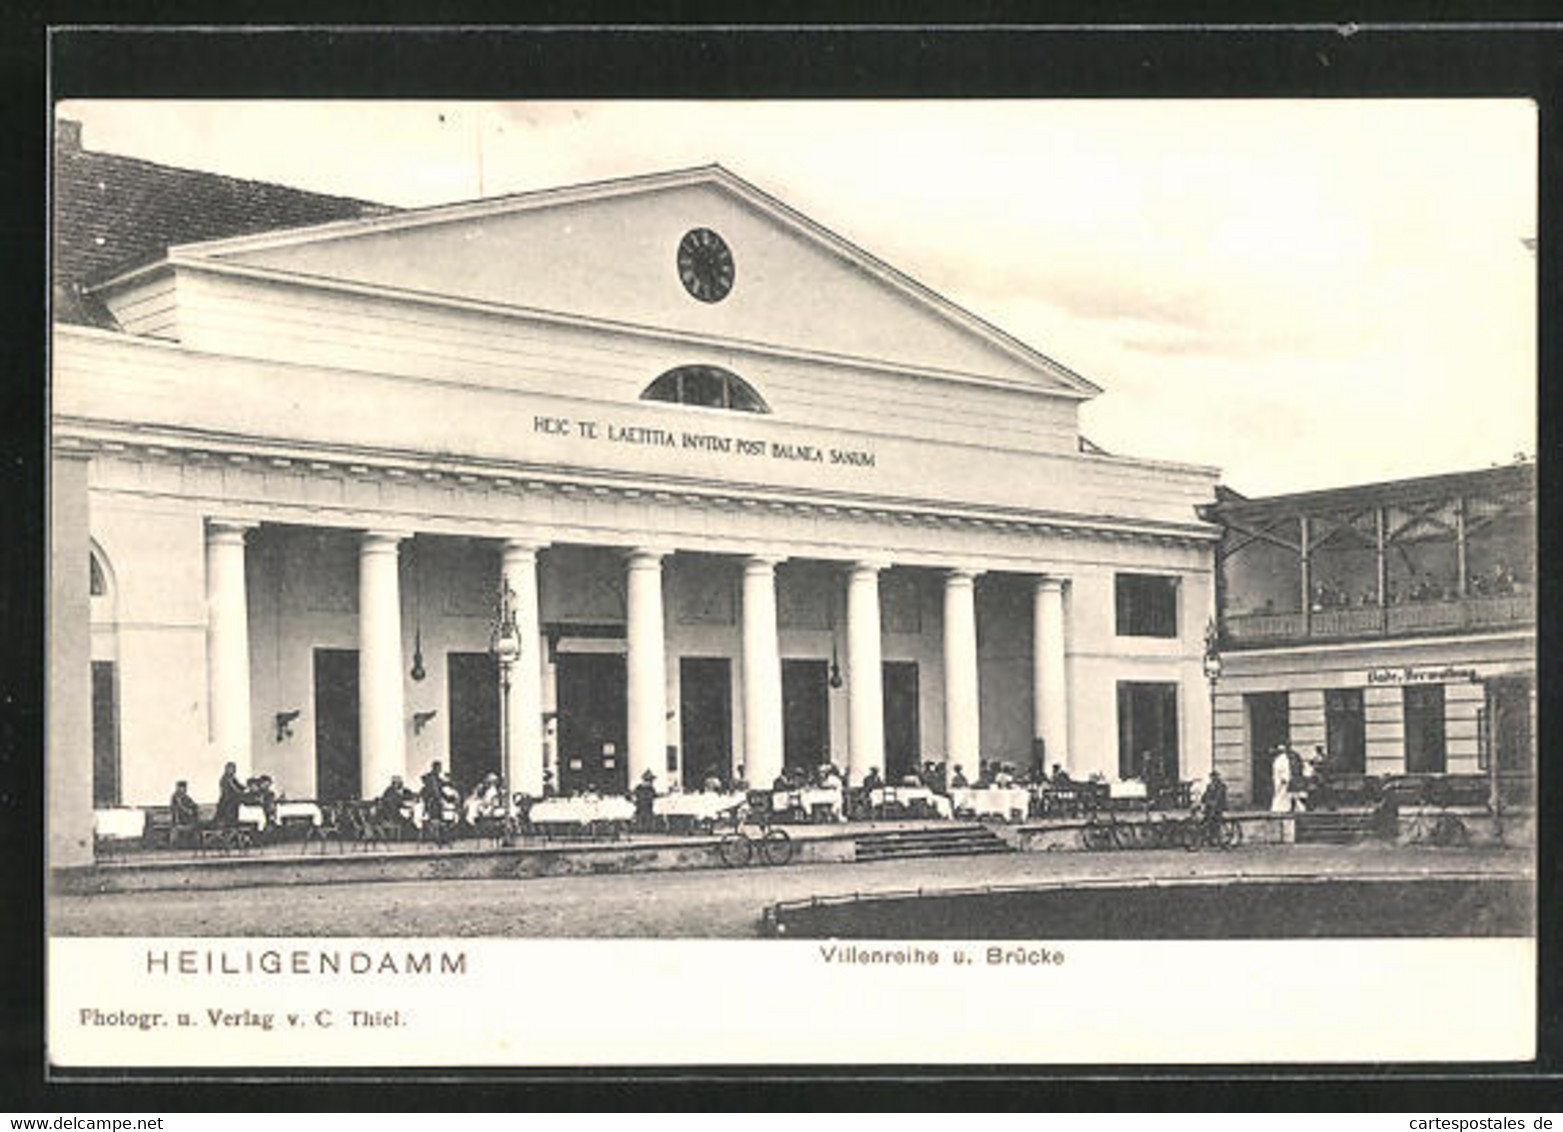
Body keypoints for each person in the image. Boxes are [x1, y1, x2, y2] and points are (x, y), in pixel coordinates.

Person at [215, 761, 244, 826]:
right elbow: (234, 788)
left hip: (232, 800)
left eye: (234, 769)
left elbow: (239, 786)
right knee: (228, 816)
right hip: (227, 800)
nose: (233, 771)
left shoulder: (232, 778)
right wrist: (241, 792)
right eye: (231, 769)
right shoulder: (226, 779)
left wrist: (246, 788)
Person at [1270, 745, 1294, 813]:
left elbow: (1284, 769)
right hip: (1278, 779)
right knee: (1279, 794)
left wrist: (1284, 778)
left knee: (1282, 794)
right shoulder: (1279, 759)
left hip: (1282, 780)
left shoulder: (1283, 759)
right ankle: (1279, 808)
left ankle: (1281, 808)